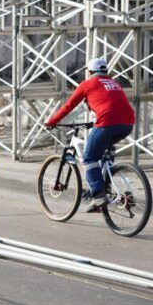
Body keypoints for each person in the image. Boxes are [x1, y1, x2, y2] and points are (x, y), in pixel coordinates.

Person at [45, 58, 135, 212]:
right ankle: (106, 180)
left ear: (90, 72)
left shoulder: (87, 84)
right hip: (128, 124)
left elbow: (68, 106)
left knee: (89, 158)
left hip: (107, 123)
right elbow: (110, 103)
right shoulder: (115, 83)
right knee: (105, 148)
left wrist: (51, 121)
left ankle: (99, 196)